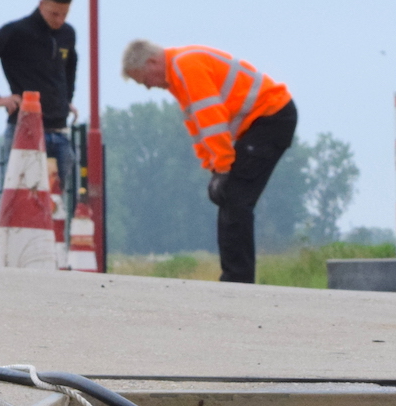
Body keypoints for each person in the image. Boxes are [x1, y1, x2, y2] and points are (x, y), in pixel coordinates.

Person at [123, 39, 297, 283]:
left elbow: (212, 119)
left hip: (271, 117)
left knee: (236, 197)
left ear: (152, 62)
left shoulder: (186, 66)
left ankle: (237, 278)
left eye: (144, 80)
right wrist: (213, 168)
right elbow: (197, 127)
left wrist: (223, 168)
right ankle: (235, 275)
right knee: (232, 196)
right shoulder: (178, 75)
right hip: (264, 121)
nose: (148, 87)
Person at [0, 0, 78, 200]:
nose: (59, 21)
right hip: (24, 129)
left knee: (55, 201)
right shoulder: (17, 32)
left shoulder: (67, 34)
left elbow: (70, 66)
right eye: (54, 14)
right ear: (41, 4)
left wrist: (66, 99)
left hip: (59, 131)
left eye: (64, 15)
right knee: (20, 197)